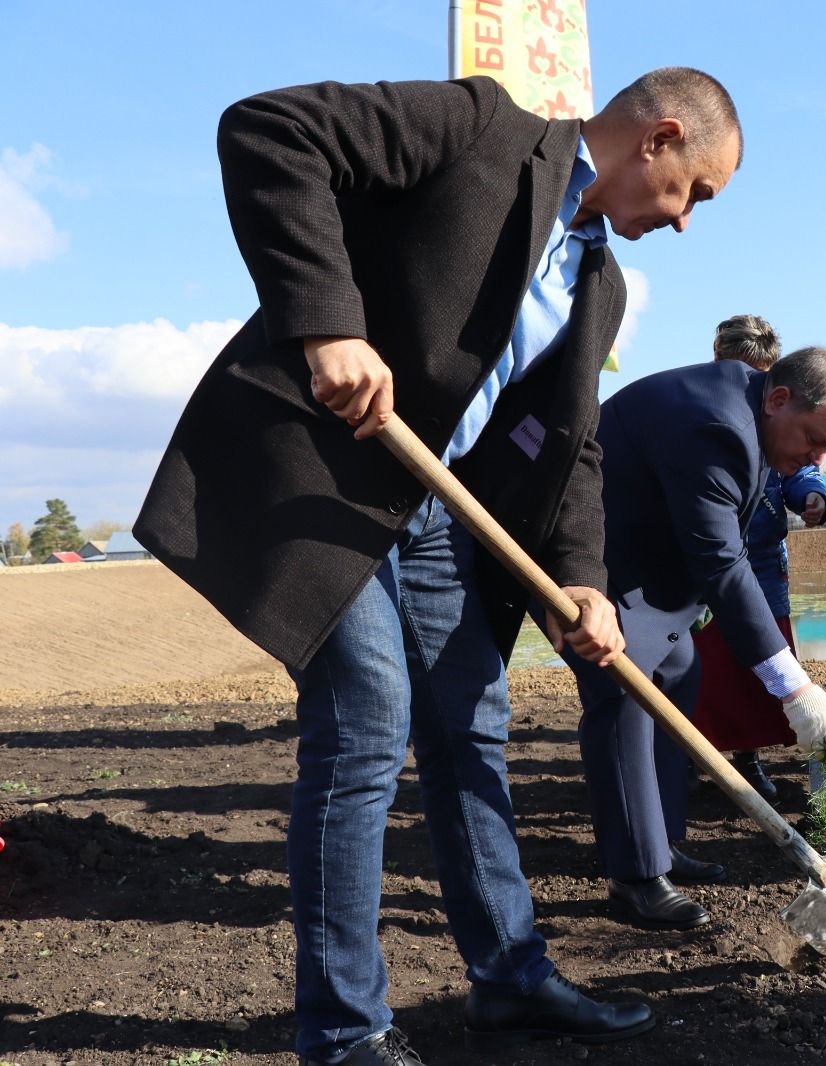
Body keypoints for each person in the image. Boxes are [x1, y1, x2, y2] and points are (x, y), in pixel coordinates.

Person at [133, 68, 743, 1066]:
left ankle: (510, 979)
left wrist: (581, 576)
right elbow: (269, 130)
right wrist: (329, 323)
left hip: (431, 509)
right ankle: (342, 1028)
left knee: (471, 729)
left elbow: (572, 440)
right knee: (365, 727)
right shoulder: (481, 128)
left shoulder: (601, 283)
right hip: (324, 478)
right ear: (658, 140)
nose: (683, 221)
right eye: (695, 194)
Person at [565, 347, 826, 931]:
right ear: (779, 400)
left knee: (680, 676)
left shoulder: (754, 414)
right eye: (814, 439)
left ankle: (663, 843)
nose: (817, 457)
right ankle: (636, 877)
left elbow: (719, 544)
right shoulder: (718, 427)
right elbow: (724, 564)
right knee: (626, 694)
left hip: (645, 558)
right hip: (590, 554)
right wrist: (795, 688)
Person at [691, 315, 826, 801]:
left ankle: (749, 758)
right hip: (708, 564)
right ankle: (694, 752)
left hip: (764, 565)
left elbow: (801, 472)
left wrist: (813, 496)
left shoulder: (782, 419)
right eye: (740, 370)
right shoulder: (701, 412)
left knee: (760, 664)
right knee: (704, 667)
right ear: (717, 362)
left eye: (760, 373)